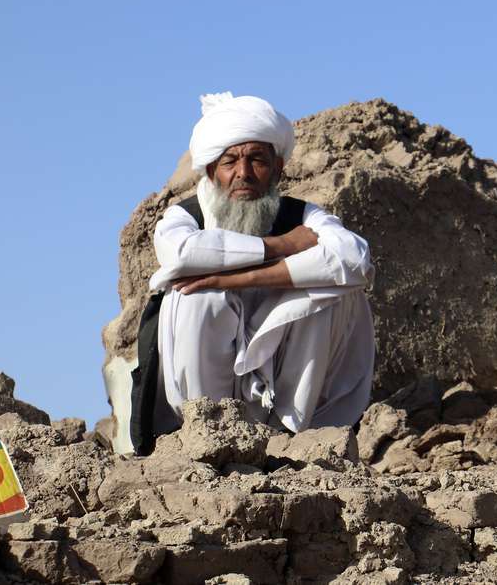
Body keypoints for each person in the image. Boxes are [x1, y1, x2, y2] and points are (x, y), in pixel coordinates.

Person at [147, 91, 375, 433]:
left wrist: (238, 279)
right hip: (212, 402)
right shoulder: (186, 216)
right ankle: (209, 430)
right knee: (193, 294)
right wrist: (279, 245)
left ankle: (291, 435)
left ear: (278, 168)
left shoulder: (302, 214)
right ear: (211, 171)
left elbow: (355, 259)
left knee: (335, 291)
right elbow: (181, 253)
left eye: (257, 160)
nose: (244, 173)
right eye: (230, 162)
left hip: (283, 387)